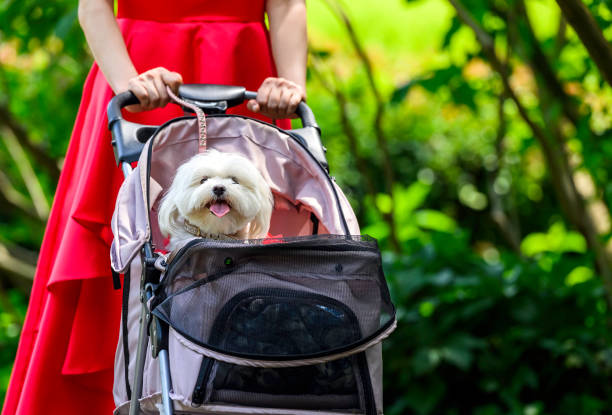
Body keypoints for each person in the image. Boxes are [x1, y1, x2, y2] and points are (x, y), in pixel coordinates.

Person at [2, 0, 306, 413]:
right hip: (139, 77)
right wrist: (129, 83)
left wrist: (289, 85)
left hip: (245, 77)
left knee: (256, 257)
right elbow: (93, 7)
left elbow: (288, 4)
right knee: (128, 253)